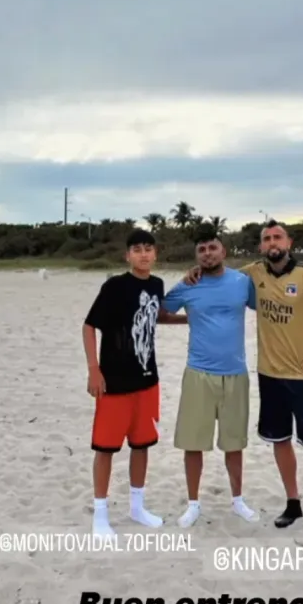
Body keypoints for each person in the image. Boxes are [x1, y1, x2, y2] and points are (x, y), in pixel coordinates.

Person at [185, 220, 303, 543]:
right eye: (266, 238)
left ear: (289, 242)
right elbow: (221, 274)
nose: (272, 242)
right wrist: (194, 270)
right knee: (280, 440)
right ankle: (293, 504)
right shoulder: (253, 273)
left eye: (278, 237)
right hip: (269, 377)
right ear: (261, 246)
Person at [83, 228, 187, 536]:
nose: (143, 254)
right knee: (105, 448)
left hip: (147, 380)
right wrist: (94, 369)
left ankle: (137, 506)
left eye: (148, 248)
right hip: (114, 381)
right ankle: (100, 513)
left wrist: (190, 317)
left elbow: (155, 316)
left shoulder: (156, 284)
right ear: (128, 255)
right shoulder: (114, 286)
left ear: (155, 254)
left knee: (142, 445)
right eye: (137, 249)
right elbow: (89, 327)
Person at [162, 227, 259, 528]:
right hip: (198, 373)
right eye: (201, 249)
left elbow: (270, 309)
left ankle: (238, 500)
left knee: (234, 444)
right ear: (196, 256)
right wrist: (187, 318)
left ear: (223, 251)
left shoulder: (243, 282)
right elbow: (160, 313)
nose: (207, 253)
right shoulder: (188, 284)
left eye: (212, 248)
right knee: (193, 443)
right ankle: (193, 504)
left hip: (235, 373)